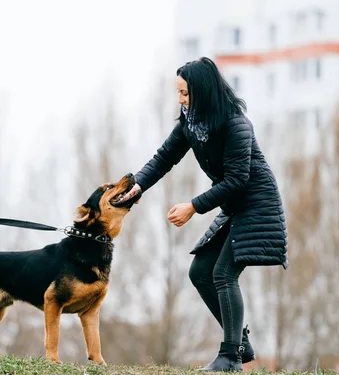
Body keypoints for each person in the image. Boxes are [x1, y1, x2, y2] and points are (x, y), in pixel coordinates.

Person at [119, 57, 288, 372]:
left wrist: (193, 206)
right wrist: (138, 185)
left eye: (185, 93)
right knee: (200, 272)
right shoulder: (191, 123)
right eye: (179, 94)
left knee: (224, 273)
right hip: (235, 206)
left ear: (203, 91)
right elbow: (164, 157)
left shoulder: (236, 124)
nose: (180, 100)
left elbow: (238, 180)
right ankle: (240, 343)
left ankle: (231, 358)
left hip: (256, 204)